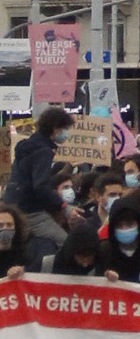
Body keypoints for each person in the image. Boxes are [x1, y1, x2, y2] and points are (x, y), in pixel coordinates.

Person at [5, 105, 72, 258]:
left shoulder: (28, 146)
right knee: (65, 242)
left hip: (13, 202)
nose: (67, 133)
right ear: (56, 128)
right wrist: (62, 205)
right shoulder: (43, 151)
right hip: (30, 209)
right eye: (65, 128)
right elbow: (41, 186)